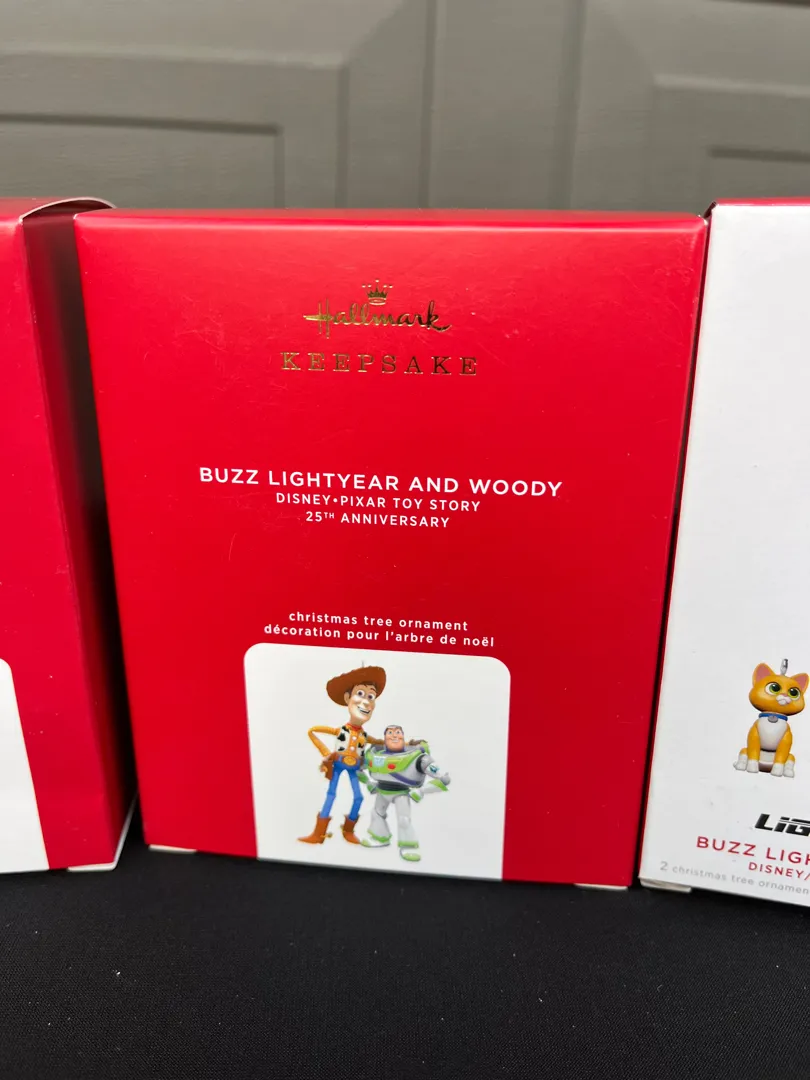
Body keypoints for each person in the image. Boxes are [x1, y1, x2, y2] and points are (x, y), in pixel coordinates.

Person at [298, 665, 387, 846]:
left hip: (355, 767)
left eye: (371, 696)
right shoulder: (340, 730)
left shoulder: (364, 735)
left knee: (359, 797)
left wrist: (403, 744)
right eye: (360, 694)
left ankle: (348, 830)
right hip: (338, 764)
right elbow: (312, 731)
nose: (366, 702)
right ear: (348, 698)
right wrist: (326, 753)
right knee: (331, 795)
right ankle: (318, 833)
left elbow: (379, 742)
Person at [362, 725, 450, 862]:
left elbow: (443, 779)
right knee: (376, 814)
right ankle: (380, 838)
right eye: (390, 733)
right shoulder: (374, 754)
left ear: (403, 736)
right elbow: (356, 768)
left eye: (398, 732)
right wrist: (368, 783)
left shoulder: (419, 758)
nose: (394, 736)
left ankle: (408, 846)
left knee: (404, 820)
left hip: (401, 793)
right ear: (384, 738)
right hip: (382, 791)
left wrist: (422, 791)